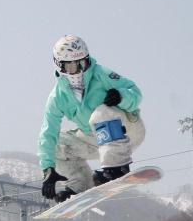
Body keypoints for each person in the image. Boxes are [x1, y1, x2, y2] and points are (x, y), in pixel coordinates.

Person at [38, 34, 145, 202]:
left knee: (101, 113)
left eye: (82, 63)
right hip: (97, 139)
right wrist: (48, 169)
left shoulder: (100, 74)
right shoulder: (57, 97)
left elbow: (135, 92)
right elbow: (47, 132)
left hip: (127, 130)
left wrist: (120, 97)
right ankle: (80, 184)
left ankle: (117, 167)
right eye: (72, 66)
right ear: (60, 66)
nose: (79, 70)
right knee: (58, 145)